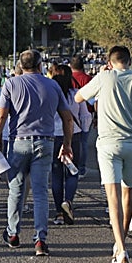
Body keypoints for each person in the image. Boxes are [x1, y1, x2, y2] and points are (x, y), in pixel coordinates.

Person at [0, 50, 74, 256]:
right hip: (46, 141)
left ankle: (13, 233)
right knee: (41, 191)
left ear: (21, 66)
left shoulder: (11, 85)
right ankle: (40, 239)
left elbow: (0, 117)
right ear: (40, 65)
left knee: (16, 189)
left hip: (18, 142)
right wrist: (67, 143)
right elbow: (68, 118)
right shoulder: (53, 85)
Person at [74, 45, 132, 263]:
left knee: (112, 196)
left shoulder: (104, 77)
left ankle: (120, 248)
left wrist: (103, 77)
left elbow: (79, 98)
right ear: (130, 61)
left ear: (110, 62)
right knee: (128, 192)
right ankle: (123, 242)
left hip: (109, 143)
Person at [49, 62, 84, 225]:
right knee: (72, 171)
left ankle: (58, 212)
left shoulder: (50, 94)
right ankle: (68, 201)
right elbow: (85, 116)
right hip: (73, 135)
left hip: (53, 136)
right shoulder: (76, 94)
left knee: (56, 174)